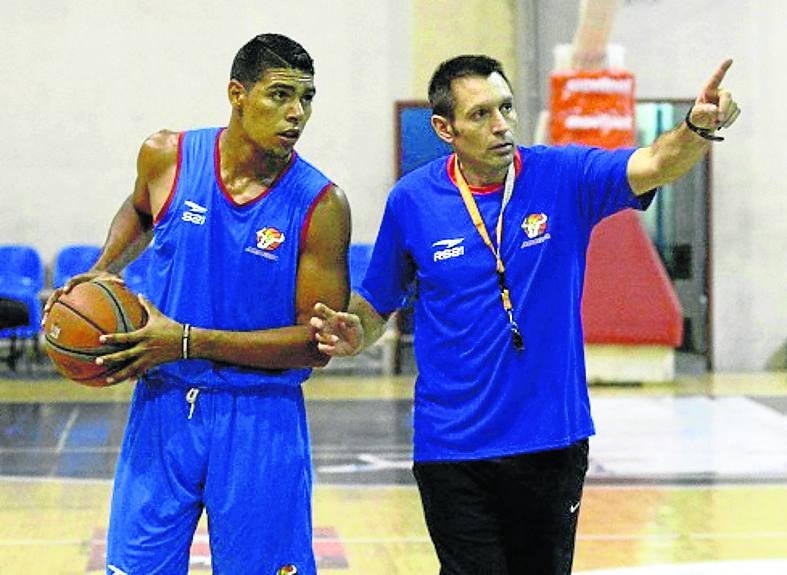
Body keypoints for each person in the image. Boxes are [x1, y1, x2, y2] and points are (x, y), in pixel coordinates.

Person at [311, 55, 739, 574]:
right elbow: (378, 302)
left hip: (549, 442)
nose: (500, 125)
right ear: (444, 128)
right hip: (452, 446)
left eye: (506, 107)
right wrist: (357, 330)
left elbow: (653, 163)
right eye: (480, 114)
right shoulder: (412, 202)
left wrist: (696, 128)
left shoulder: (564, 177)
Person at [44, 33, 350, 575]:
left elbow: (313, 345)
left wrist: (185, 340)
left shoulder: (322, 204)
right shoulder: (167, 155)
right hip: (163, 405)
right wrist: (103, 266)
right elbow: (140, 209)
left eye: (307, 98)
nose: (296, 113)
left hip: (260, 416)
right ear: (237, 93)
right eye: (279, 95)